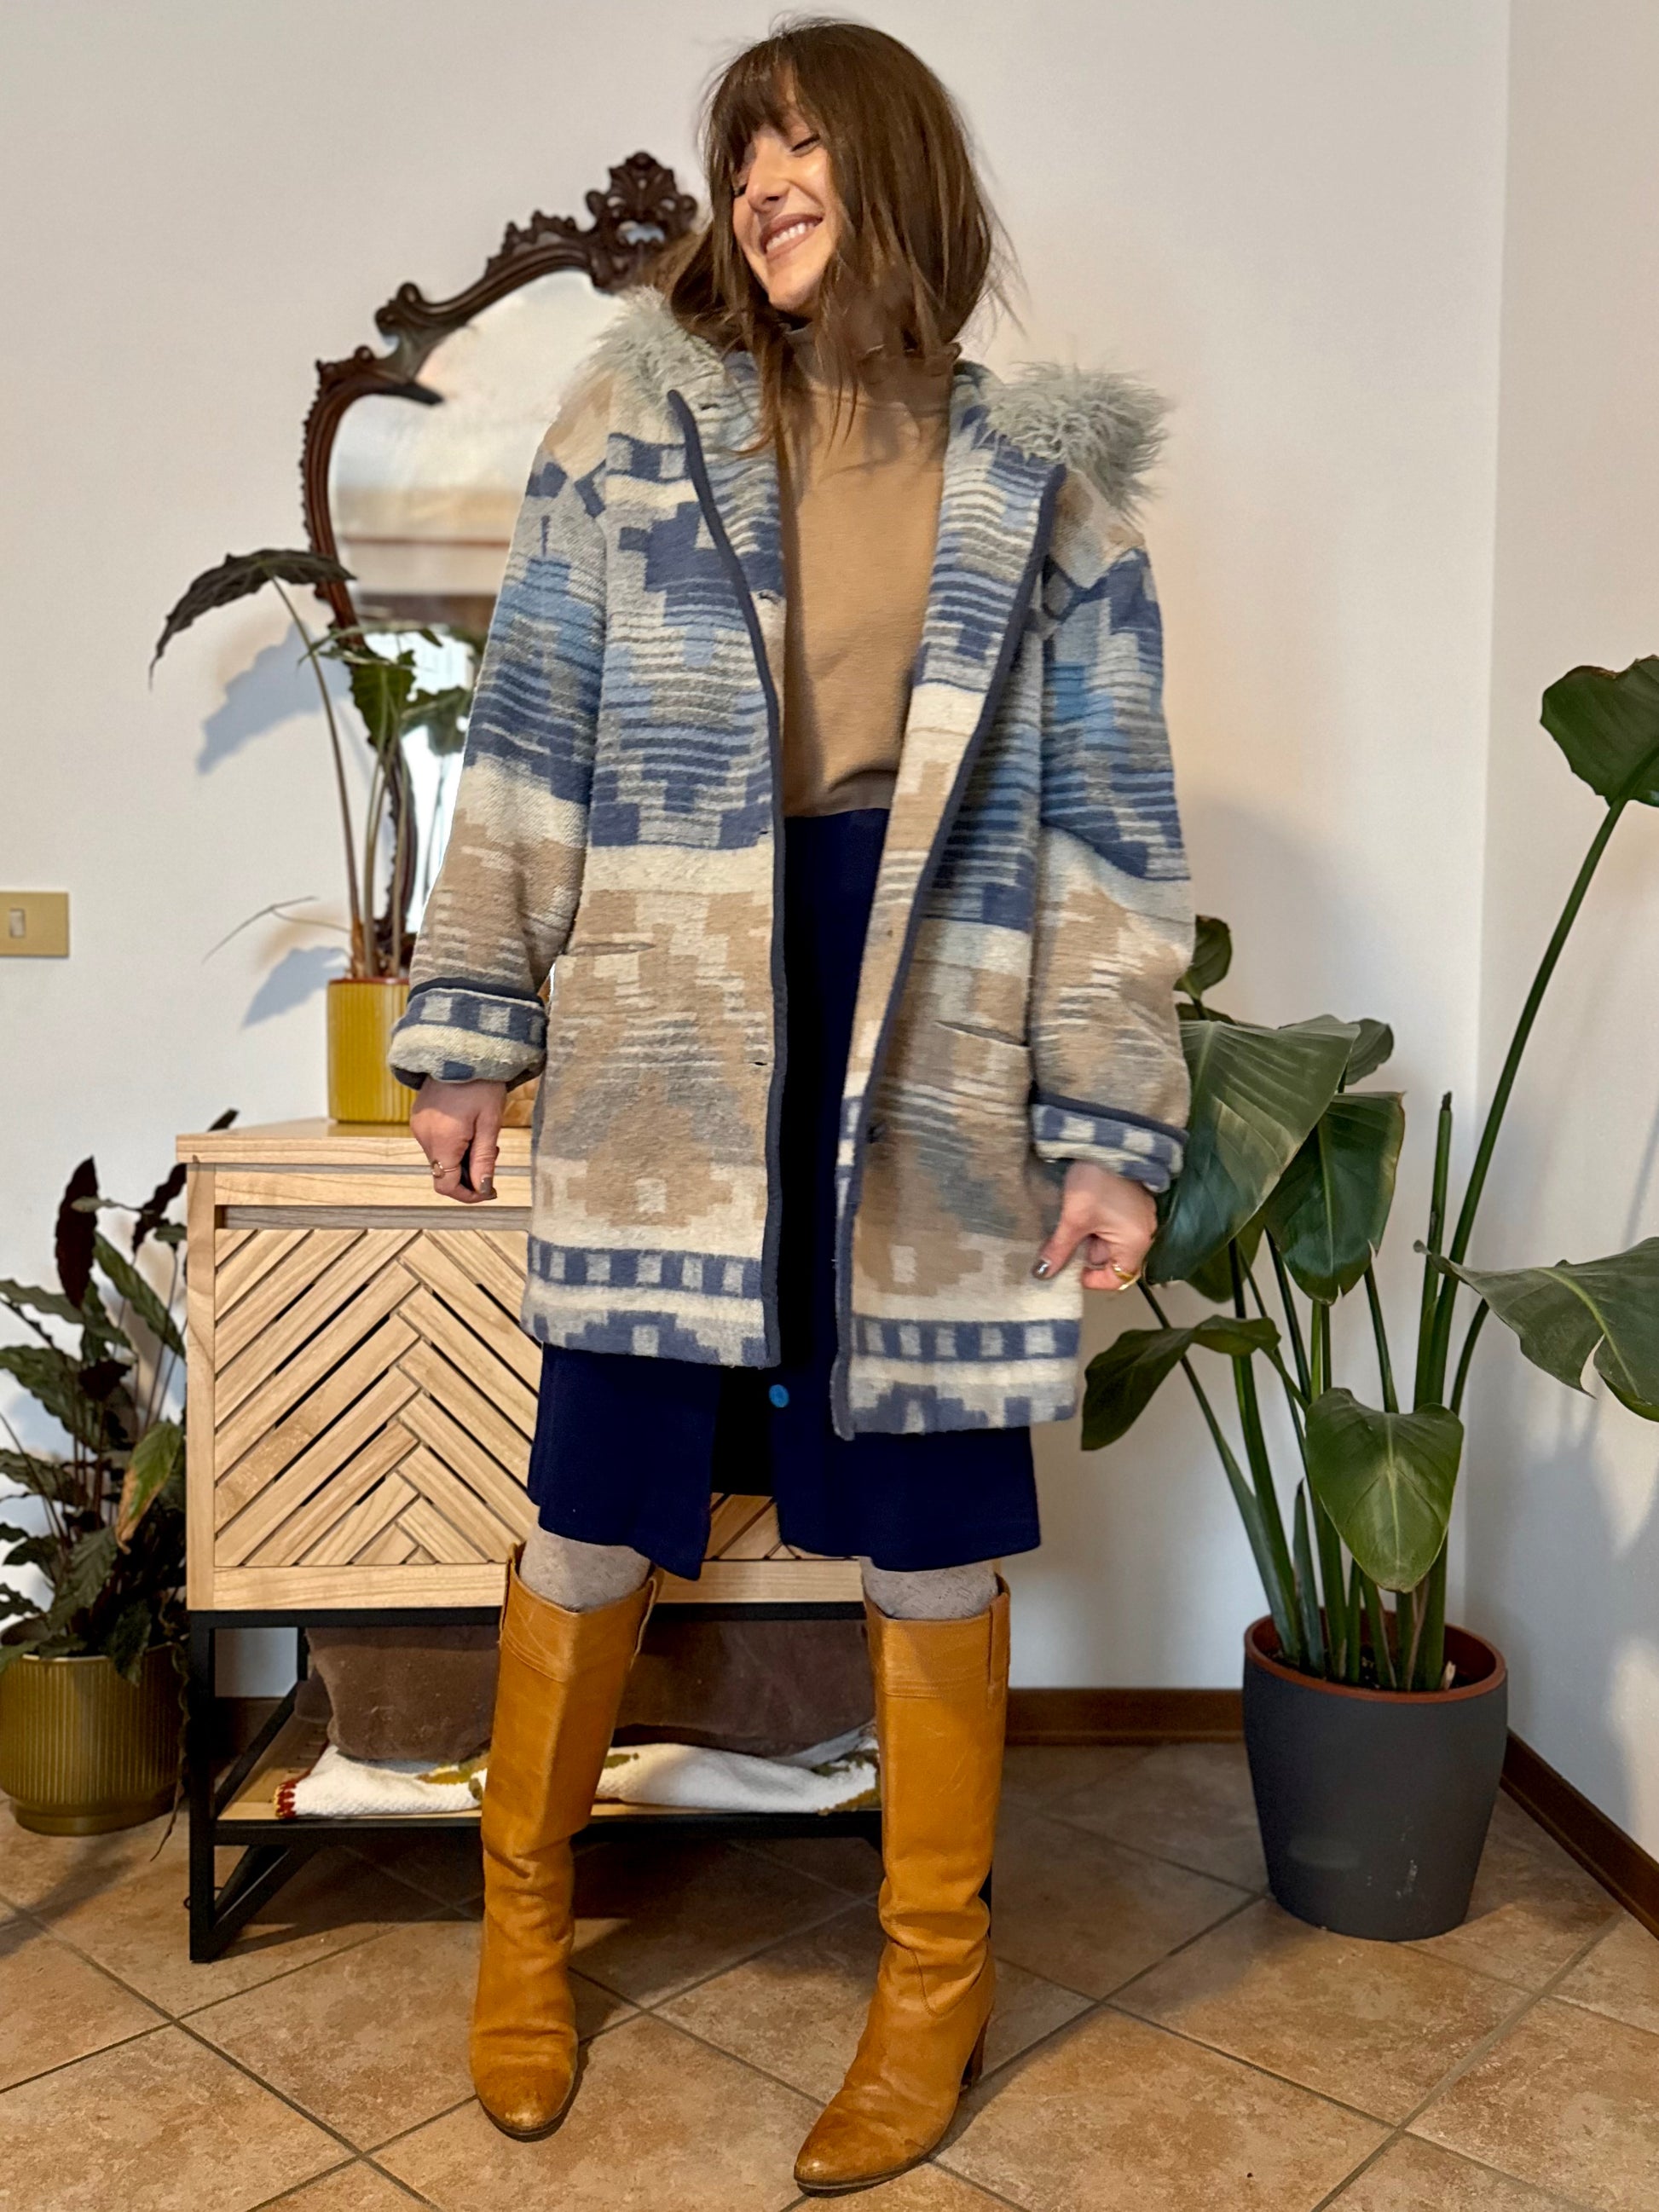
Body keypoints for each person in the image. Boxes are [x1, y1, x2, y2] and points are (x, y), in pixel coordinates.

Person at [390, 18, 1192, 2195]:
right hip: (673, 1002)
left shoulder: (1044, 482)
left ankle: (931, 1981)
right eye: (742, 147)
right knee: (596, 1491)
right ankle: (522, 1928)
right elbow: (529, 735)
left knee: (926, 1521)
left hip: (930, 1011)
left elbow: (1109, 824)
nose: (759, 178)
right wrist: (468, 1028)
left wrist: (1109, 1125)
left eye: (800, 140)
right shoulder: (631, 434)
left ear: (896, 172)